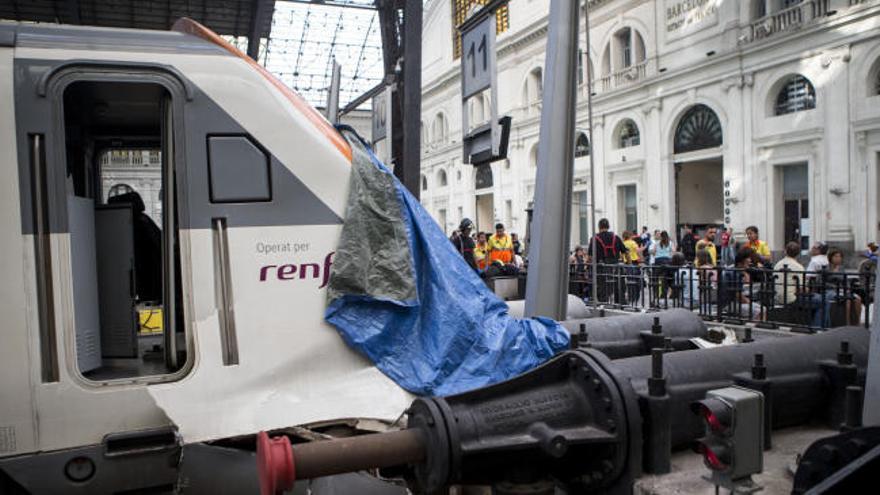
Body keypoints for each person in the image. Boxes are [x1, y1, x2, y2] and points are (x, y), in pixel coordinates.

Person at [588, 218, 627, 303]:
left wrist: (589, 266)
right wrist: (629, 264)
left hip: (602, 268)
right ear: (608, 226)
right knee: (618, 287)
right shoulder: (616, 237)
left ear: (599, 227)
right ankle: (620, 304)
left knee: (603, 289)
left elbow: (590, 256)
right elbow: (626, 252)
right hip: (616, 268)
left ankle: (603, 305)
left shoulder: (594, 239)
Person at [824, 248, 862, 326]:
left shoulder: (841, 268)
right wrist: (835, 287)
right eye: (836, 256)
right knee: (847, 300)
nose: (838, 258)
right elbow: (822, 282)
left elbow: (845, 280)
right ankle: (847, 323)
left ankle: (857, 322)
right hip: (830, 291)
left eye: (840, 256)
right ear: (830, 257)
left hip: (842, 290)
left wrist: (847, 288)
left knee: (858, 299)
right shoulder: (825, 268)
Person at [773, 241, 805, 306]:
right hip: (792, 299)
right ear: (798, 253)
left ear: (785, 251)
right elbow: (801, 289)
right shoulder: (798, 267)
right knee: (822, 301)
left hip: (777, 297)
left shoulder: (777, 264)